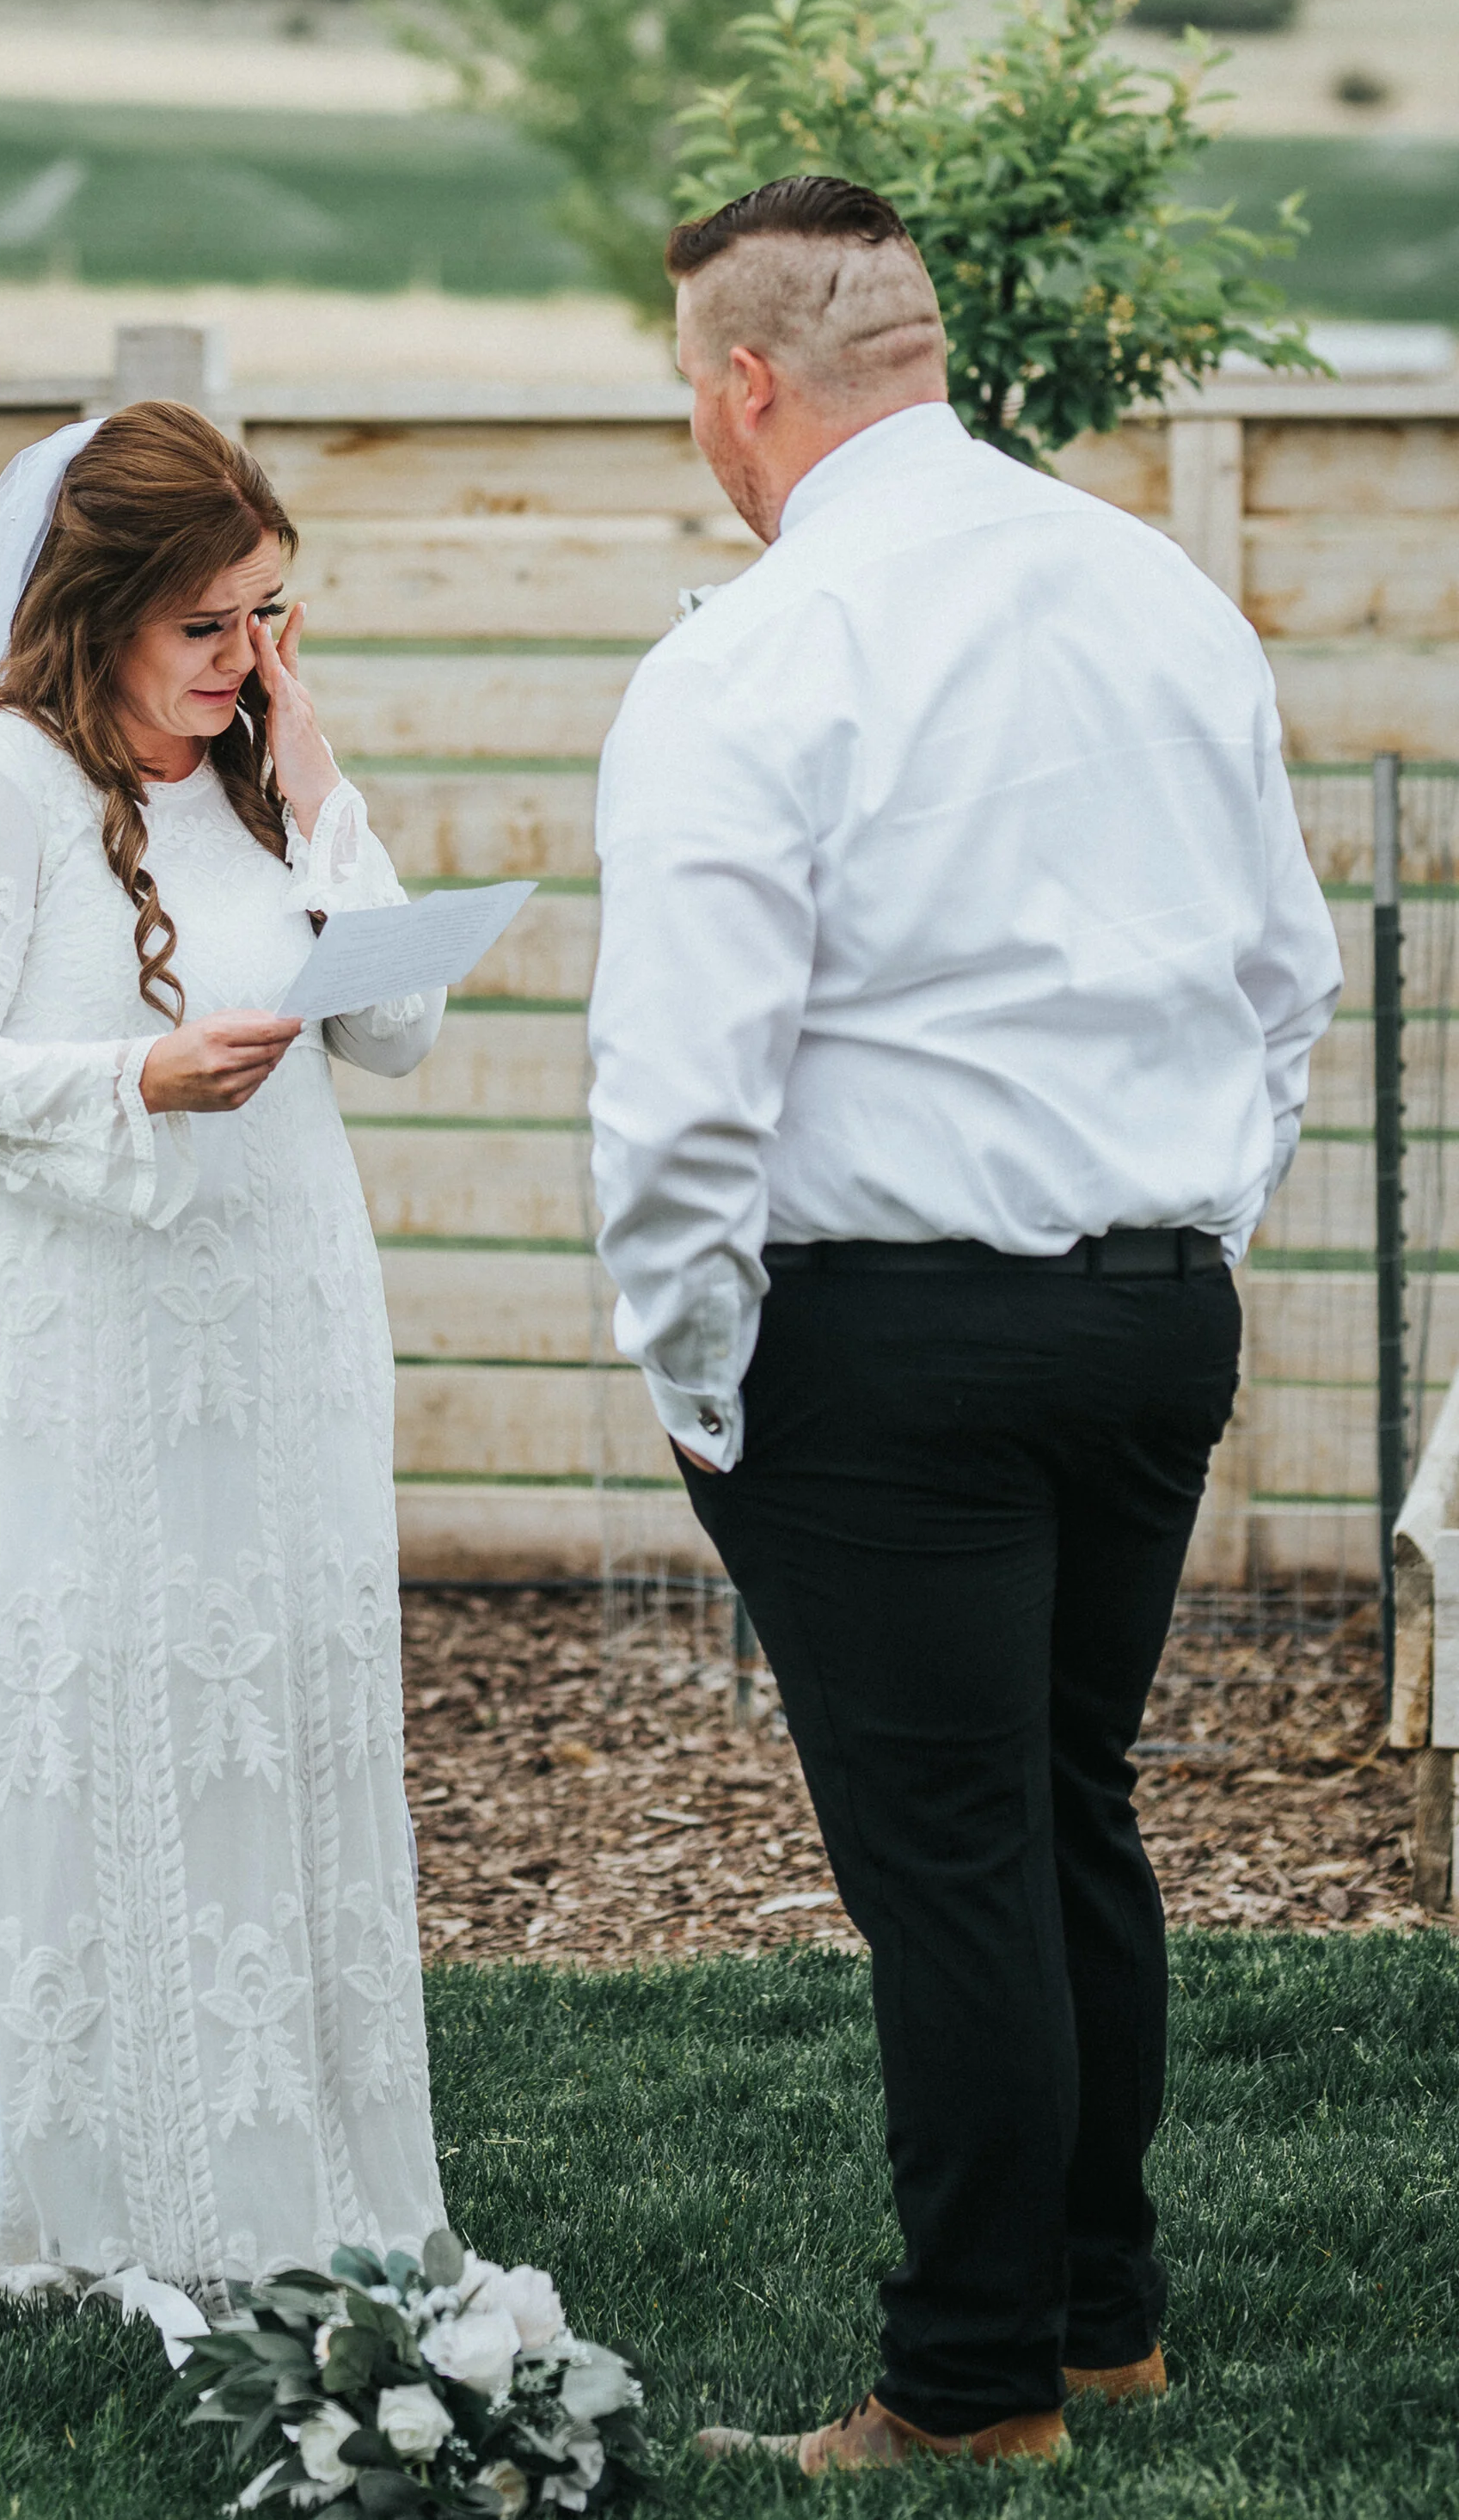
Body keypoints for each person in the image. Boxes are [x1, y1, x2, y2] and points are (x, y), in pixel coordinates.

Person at [587, 176, 1341, 2474]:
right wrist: (1181, 1224)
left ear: (743, 386)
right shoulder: (1161, 591)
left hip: (880, 1345)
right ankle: (1103, 2319)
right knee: (1062, 1808)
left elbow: (683, 1093)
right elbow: (1288, 984)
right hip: (1149, 1316)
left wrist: (695, 1363)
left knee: (953, 1862)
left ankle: (971, 2384)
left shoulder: (755, 650)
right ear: (921, 344)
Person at [0, 400, 446, 2364]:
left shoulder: (263, 776)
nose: (248, 662)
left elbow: (404, 1023)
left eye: (275, 619)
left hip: (280, 1326)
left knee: (283, 1729)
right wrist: (131, 1082)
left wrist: (320, 783)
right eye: (210, 630)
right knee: (110, 1743)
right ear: (96, 616)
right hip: (79, 1348)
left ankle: (315, 2179)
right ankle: (96, 2198)